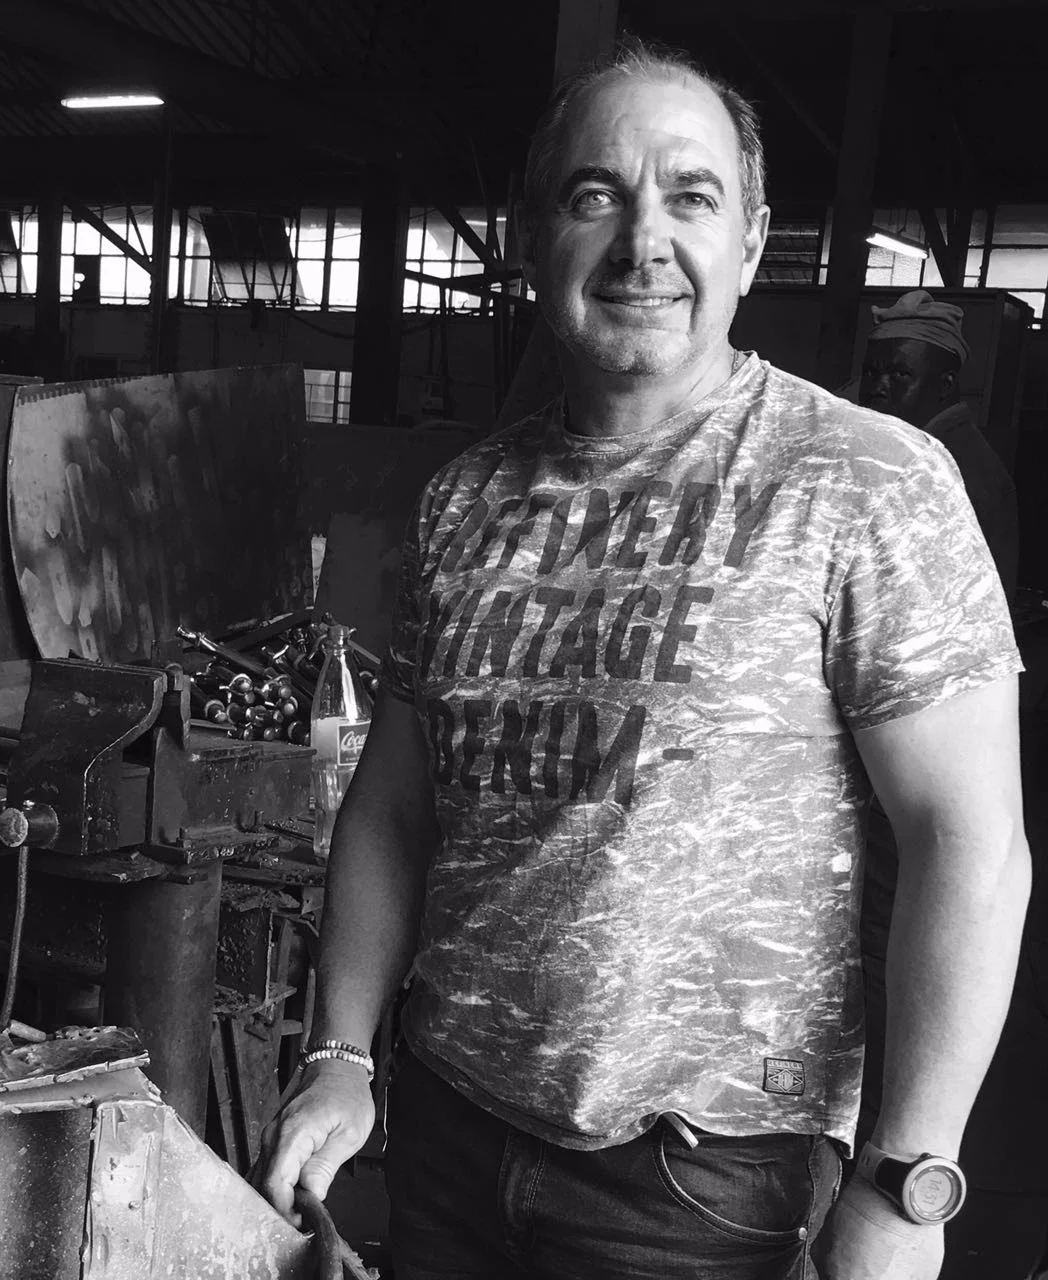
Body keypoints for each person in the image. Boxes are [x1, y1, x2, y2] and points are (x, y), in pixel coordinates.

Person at [258, 40, 1030, 1280]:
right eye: (594, 194)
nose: (641, 242)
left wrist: (904, 1184)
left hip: (701, 1177)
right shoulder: (465, 498)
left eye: (690, 196)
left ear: (750, 240)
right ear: (533, 239)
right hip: (448, 1127)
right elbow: (394, 803)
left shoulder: (864, 481)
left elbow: (969, 843)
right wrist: (342, 1052)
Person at [857, 292, 1043, 1278]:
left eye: (903, 369)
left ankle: (887, 1127)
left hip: (927, 728)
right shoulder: (915, 453)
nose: (882, 382)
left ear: (948, 377)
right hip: (895, 724)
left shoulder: (952, 467)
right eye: (877, 366)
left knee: (914, 906)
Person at [858, 289, 1018, 599]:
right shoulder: (902, 447)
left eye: (901, 374)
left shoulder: (955, 474)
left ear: (945, 385)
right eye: (870, 372)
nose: (878, 387)